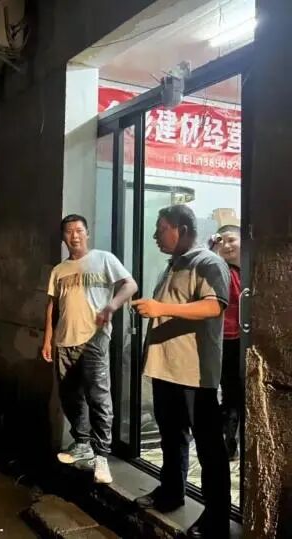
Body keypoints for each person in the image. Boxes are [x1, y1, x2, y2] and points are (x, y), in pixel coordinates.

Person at [132, 205, 231, 539]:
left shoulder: (208, 262)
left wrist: (160, 308)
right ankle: (171, 492)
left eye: (161, 228)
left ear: (183, 229)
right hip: (167, 369)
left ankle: (216, 518)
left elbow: (214, 305)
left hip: (194, 374)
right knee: (172, 438)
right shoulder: (175, 263)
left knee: (208, 446)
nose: (155, 235)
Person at [42, 214, 138, 484]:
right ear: (63, 237)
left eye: (79, 230)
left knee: (98, 397)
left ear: (87, 233)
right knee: (70, 396)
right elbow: (52, 307)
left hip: (94, 338)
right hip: (64, 341)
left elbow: (130, 285)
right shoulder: (59, 270)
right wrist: (47, 339)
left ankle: (102, 455)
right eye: (69, 231)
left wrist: (112, 306)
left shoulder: (104, 259)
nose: (74, 236)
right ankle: (82, 443)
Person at [211, 225, 243, 460]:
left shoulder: (254, 269)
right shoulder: (221, 270)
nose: (227, 245)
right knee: (231, 393)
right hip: (225, 340)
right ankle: (228, 444)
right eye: (222, 241)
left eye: (232, 240)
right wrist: (212, 249)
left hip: (248, 340)